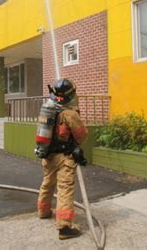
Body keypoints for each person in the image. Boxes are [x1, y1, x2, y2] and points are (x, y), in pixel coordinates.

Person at [37, 78, 88, 240]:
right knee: (65, 188)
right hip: (64, 157)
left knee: (48, 182)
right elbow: (81, 136)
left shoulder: (47, 109)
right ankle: (65, 226)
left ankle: (43, 211)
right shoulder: (69, 114)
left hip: (47, 155)